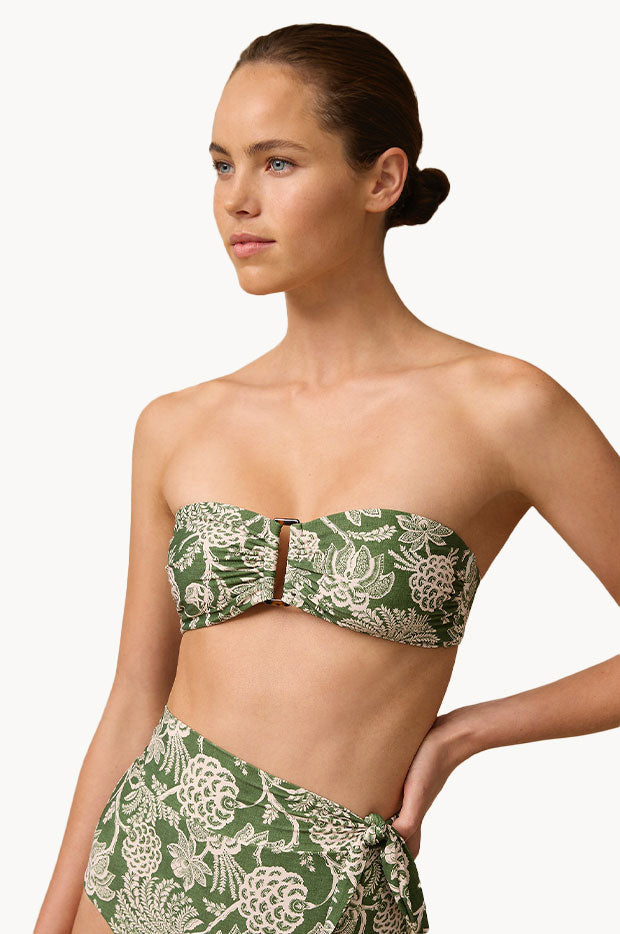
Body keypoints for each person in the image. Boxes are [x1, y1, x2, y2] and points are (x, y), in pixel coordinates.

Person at [36, 22, 619, 934]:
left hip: (329, 899)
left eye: (278, 163)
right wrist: (50, 921)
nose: (237, 200)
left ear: (382, 180)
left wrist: (466, 733)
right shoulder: (177, 426)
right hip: (135, 876)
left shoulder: (506, 409)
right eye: (221, 164)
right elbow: (134, 701)